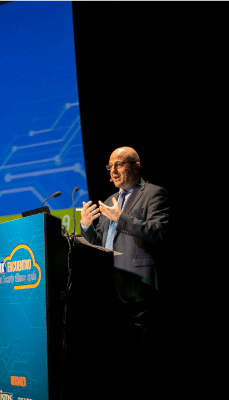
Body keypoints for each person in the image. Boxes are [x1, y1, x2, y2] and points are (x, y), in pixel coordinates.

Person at [80, 146, 169, 396]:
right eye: (110, 166)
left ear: (136, 166)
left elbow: (158, 232)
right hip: (110, 289)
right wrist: (86, 227)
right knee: (117, 359)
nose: (114, 170)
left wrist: (122, 219)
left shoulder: (153, 193)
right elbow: (100, 243)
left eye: (119, 164)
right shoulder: (110, 200)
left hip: (139, 287)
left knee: (144, 358)